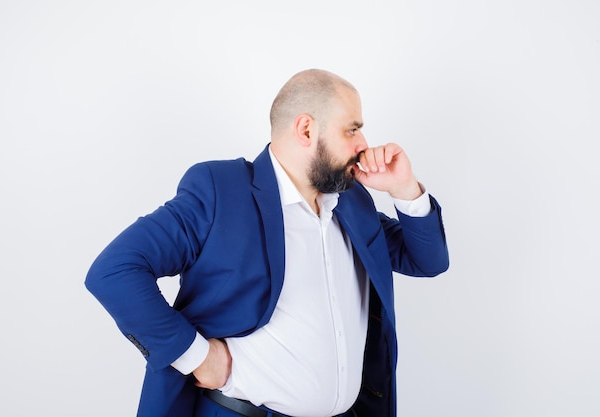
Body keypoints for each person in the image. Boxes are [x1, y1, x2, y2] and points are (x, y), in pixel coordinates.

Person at [85, 69, 449, 417]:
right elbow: (115, 270)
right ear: (306, 129)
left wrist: (404, 189)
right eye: (352, 129)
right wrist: (196, 356)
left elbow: (426, 260)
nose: (363, 144)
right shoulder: (220, 190)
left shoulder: (351, 202)